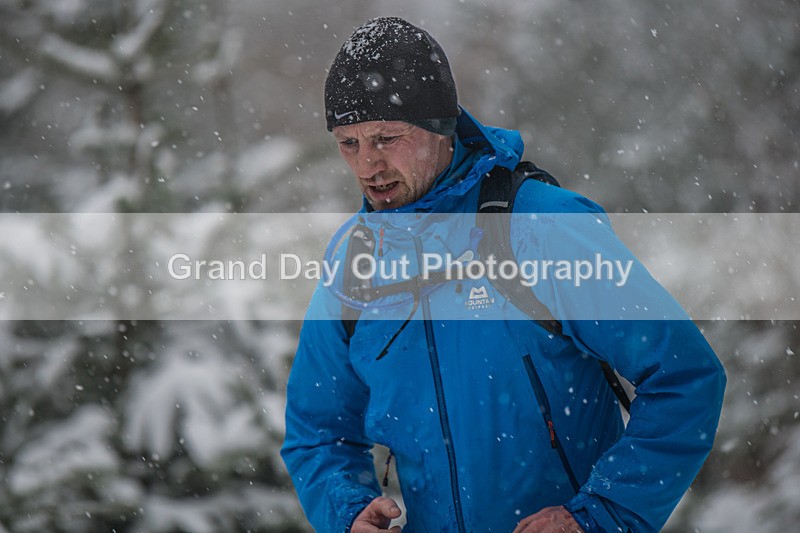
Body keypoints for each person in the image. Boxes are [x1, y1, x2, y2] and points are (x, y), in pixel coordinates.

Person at [281, 16, 726, 533]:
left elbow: (685, 377)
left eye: (386, 137)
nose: (367, 165)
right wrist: (347, 510)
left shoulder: (542, 227)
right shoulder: (354, 259)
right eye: (348, 143)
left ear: (440, 125)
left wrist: (602, 514)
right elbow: (318, 430)